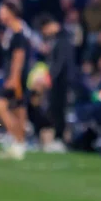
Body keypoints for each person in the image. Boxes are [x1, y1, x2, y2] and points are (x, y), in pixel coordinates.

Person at [0, 0, 30, 160]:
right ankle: (19, 144)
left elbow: (19, 56)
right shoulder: (9, 31)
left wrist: (14, 78)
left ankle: (16, 138)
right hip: (14, 76)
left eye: (2, 10)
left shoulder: (18, 31)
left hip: (16, 77)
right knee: (17, 110)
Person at [38, 14, 75, 153]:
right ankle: (57, 138)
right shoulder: (58, 39)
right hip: (59, 80)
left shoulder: (63, 38)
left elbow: (61, 62)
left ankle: (60, 139)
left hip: (63, 81)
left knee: (60, 109)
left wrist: (50, 77)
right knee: (55, 109)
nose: (45, 34)